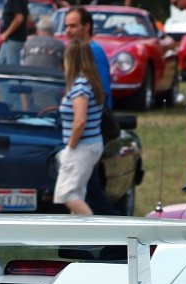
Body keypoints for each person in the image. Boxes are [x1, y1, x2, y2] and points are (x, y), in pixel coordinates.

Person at [62, 5, 117, 214]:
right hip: (88, 138)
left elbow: (99, 96)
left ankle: (117, 235)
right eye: (66, 26)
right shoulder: (85, 52)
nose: (68, 30)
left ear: (87, 27)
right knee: (84, 193)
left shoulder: (91, 52)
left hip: (88, 139)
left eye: (73, 26)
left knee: (88, 195)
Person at [53, 40, 104, 215]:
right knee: (77, 194)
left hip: (81, 147)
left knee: (66, 193)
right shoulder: (90, 82)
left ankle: (93, 232)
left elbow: (80, 120)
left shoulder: (80, 86)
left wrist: (70, 148)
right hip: (90, 145)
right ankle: (79, 238)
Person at [0, 0, 28, 65]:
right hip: (9, 40)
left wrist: (6, 34)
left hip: (14, 39)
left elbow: (19, 18)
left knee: (12, 66)